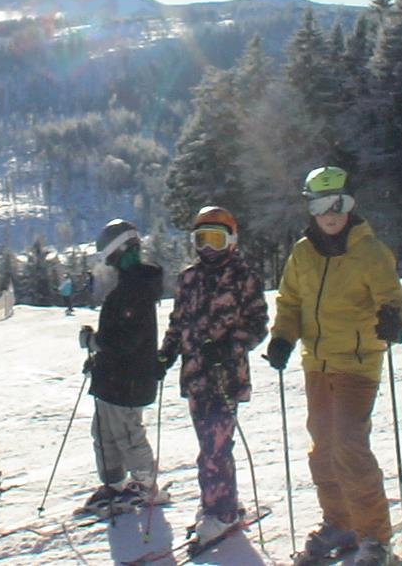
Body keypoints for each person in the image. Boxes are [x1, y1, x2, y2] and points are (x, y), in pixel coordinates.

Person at [267, 167, 402, 566]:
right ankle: (340, 521)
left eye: (338, 204)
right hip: (317, 363)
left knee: (349, 445)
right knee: (324, 448)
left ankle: (375, 537)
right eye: (320, 206)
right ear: (310, 209)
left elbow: (394, 299)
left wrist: (393, 319)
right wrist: (282, 338)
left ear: (350, 204)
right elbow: (290, 302)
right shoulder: (302, 253)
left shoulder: (371, 251)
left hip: (357, 364)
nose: (330, 215)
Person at [156, 206, 268, 547]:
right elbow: (178, 321)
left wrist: (231, 346)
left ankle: (220, 511)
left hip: (225, 376)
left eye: (216, 240)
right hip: (195, 376)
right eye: (201, 239)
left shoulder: (242, 275)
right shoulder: (189, 277)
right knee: (208, 443)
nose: (208, 247)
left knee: (215, 447)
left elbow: (258, 324)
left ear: (231, 241)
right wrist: (166, 353)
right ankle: (219, 501)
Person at [78, 219, 165, 514]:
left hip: (129, 380)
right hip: (112, 378)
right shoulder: (127, 286)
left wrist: (96, 342)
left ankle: (144, 484)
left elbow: (126, 341)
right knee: (103, 432)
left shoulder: (136, 289)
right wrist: (98, 358)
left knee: (127, 434)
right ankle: (114, 483)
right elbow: (119, 338)